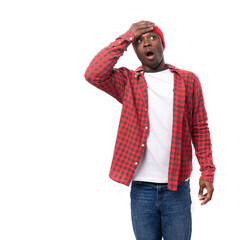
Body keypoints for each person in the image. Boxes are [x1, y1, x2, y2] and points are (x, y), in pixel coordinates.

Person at [84, 20, 215, 240]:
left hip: (177, 189)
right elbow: (93, 74)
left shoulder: (188, 81)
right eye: (140, 41)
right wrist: (126, 37)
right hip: (142, 189)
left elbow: (200, 128)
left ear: (162, 44)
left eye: (152, 38)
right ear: (134, 50)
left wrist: (207, 172)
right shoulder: (128, 83)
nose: (146, 43)